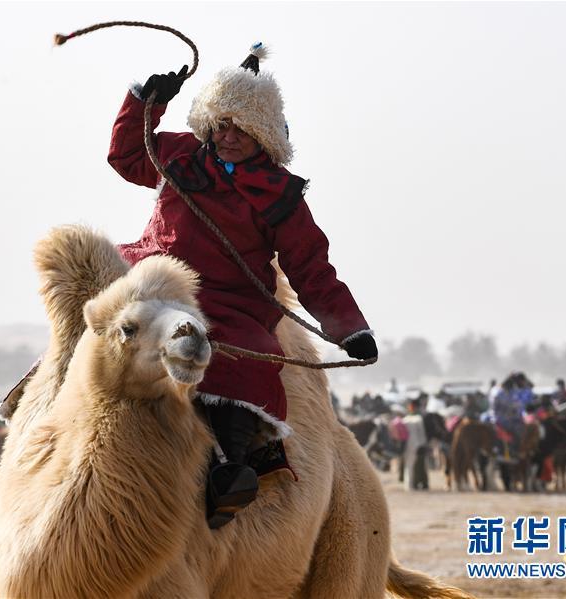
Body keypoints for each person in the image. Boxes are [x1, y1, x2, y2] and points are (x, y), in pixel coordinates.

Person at [109, 44, 376, 526]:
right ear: (210, 123)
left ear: (264, 134)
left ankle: (231, 470)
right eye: (223, 125)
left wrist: (349, 328)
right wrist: (145, 102)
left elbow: (311, 268)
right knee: (83, 313)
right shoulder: (178, 155)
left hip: (227, 302)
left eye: (243, 129)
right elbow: (126, 156)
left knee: (246, 354)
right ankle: (34, 440)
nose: (229, 137)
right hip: (150, 277)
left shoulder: (281, 196)